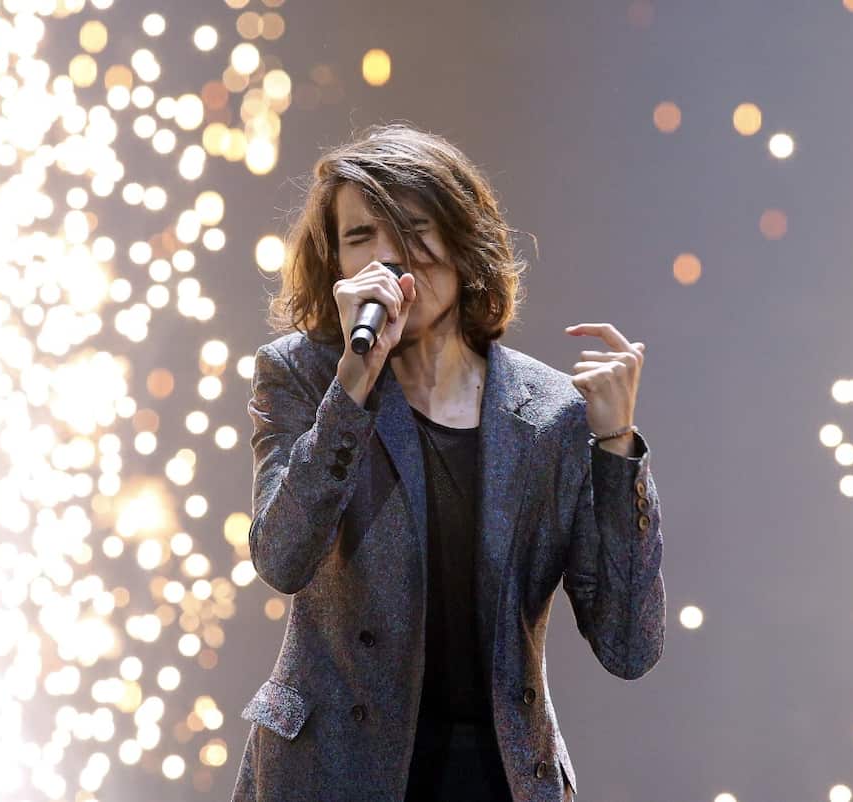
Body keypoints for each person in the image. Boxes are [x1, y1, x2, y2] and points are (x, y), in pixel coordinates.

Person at [230, 123, 665, 802]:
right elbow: (283, 557)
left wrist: (615, 448)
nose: (388, 258)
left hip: (495, 775)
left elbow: (628, 646)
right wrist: (353, 386)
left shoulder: (549, 411)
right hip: (333, 771)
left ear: (464, 244)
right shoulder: (302, 376)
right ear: (336, 265)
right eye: (359, 237)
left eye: (413, 228)